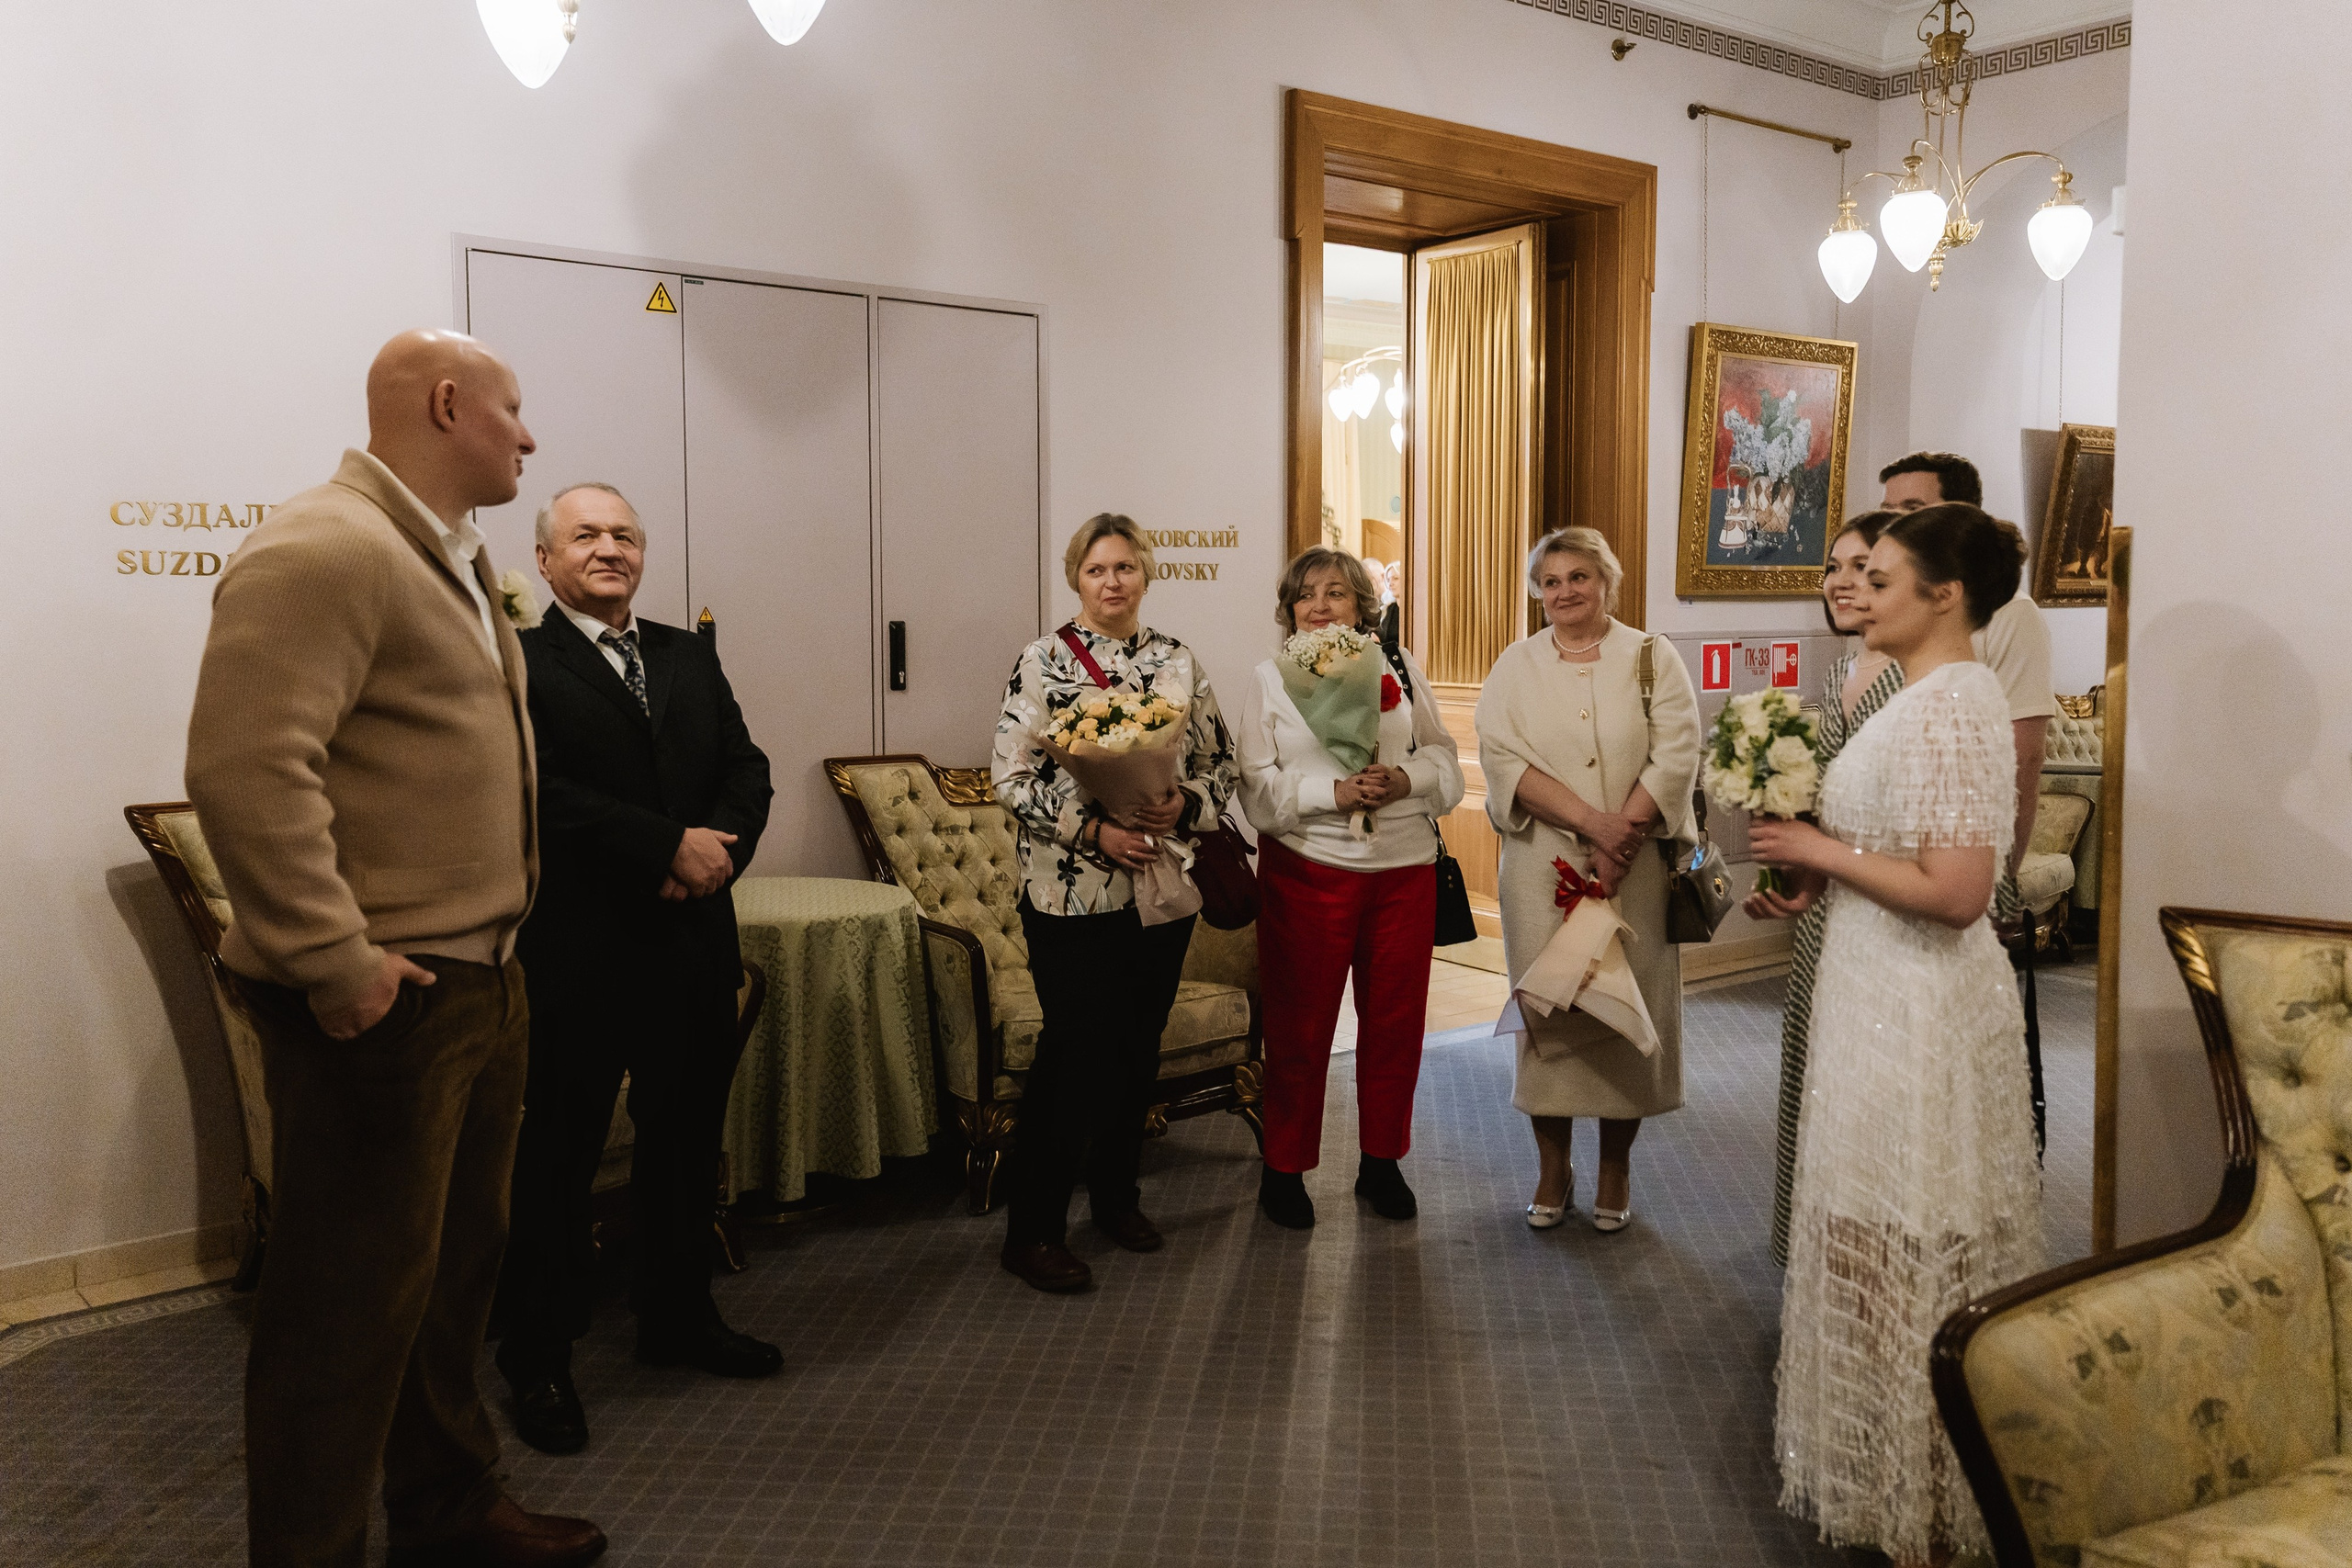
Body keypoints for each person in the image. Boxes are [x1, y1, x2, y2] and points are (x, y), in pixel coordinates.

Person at [185, 331, 606, 1568]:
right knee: (342, 1316)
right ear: (444, 402)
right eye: (513, 410)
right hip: (388, 1002)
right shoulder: (327, 545)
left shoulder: (451, 560)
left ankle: (448, 1504)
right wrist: (338, 960)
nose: (528, 436)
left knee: (444, 1286)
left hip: (479, 980)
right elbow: (245, 767)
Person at [1749, 502, 2044, 1564]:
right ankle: (1893, 1480)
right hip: (1871, 983)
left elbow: (1961, 889)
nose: (1857, 595)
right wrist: (1814, 868)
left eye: (1880, 580)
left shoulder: (1958, 703)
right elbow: (1893, 848)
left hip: (1919, 1006)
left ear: (1944, 596)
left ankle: (1929, 1488)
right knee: (1865, 1237)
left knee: (1906, 1231)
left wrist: (1820, 856)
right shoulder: (1911, 695)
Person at [492, 481, 777, 1458]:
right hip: (579, 950)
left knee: (684, 1142)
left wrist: (718, 851)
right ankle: (537, 1354)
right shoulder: (518, 662)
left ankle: (677, 1317)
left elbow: (747, 769)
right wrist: (664, 845)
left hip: (691, 940)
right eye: (585, 535)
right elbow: (534, 792)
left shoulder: (687, 654)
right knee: (558, 1157)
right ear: (545, 560)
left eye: (624, 534)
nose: (608, 549)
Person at [989, 513, 1238, 1292]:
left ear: (1145, 573)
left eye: (1126, 567)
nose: (1113, 581)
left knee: (1137, 1047)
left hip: (1159, 892)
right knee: (1074, 1055)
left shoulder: (1177, 661)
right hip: (1069, 896)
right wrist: (1093, 829)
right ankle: (1031, 1230)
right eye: (1097, 569)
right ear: (1077, 578)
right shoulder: (1042, 661)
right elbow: (1011, 778)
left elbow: (1220, 763)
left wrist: (1184, 804)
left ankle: (1116, 1199)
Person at [1474, 527, 1701, 1234]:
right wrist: (1592, 826)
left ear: (1608, 581)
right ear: (1536, 592)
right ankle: (1551, 1166)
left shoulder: (1651, 656)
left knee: (1627, 1014)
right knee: (1552, 1017)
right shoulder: (1515, 664)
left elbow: (1677, 751)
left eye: (1580, 577)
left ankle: (1615, 1168)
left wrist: (1623, 832)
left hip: (1634, 873)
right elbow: (1503, 758)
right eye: (1551, 581)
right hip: (1543, 868)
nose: (1565, 592)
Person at [1238, 547, 1464, 1229]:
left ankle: (1382, 1160)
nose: (1320, 604)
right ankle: (1284, 1168)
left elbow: (1445, 760)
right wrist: (1329, 792)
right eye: (1306, 594)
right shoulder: (1270, 678)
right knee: (1300, 1029)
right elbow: (1256, 786)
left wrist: (1407, 781)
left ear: (1361, 605)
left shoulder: (1399, 665)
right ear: (1290, 609)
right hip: (1308, 872)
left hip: (1403, 873)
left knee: (1396, 1027)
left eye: (1336, 592)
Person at [1753, 510, 1905, 1269]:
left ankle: (1872, 1261)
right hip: (1828, 914)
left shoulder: (1921, 679)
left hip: (1893, 911)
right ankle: (1816, 1251)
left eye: (1865, 568)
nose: (1844, 582)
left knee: (1876, 1096)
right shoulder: (1841, 670)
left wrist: (1822, 847)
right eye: (1835, 567)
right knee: (1815, 1077)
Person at [1880, 451, 2056, 915]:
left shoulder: (2009, 616)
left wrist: (2005, 867)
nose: (1891, 525)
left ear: (1961, 517)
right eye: (1887, 511)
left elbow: (2023, 753)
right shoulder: (1890, 611)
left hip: (1964, 837)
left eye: (1911, 511)